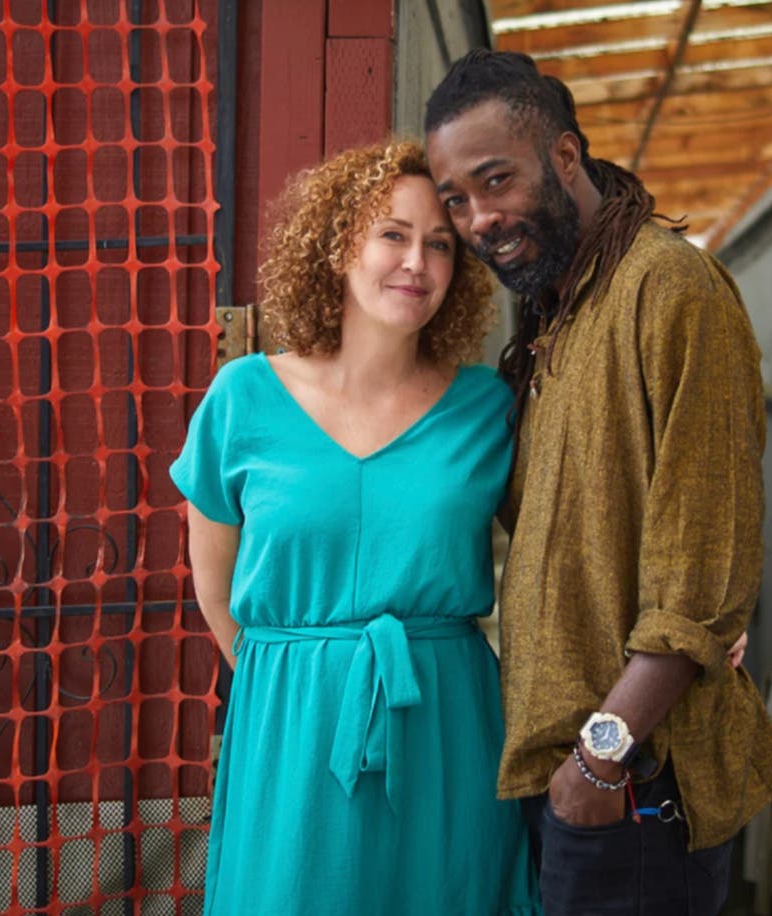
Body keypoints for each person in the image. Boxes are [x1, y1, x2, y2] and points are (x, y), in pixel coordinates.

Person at [425, 50, 772, 915]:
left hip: (630, 789)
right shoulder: (560, 312)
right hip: (565, 783)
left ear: (564, 157)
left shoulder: (670, 291)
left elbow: (701, 578)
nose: (481, 219)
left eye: (497, 181)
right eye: (457, 200)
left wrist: (598, 760)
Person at [170, 140, 541, 915]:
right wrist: (311, 676)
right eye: (393, 235)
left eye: (440, 244)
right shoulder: (243, 396)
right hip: (291, 726)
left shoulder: (487, 408)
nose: (418, 262)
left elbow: (566, 539)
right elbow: (217, 593)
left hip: (445, 723)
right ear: (340, 245)